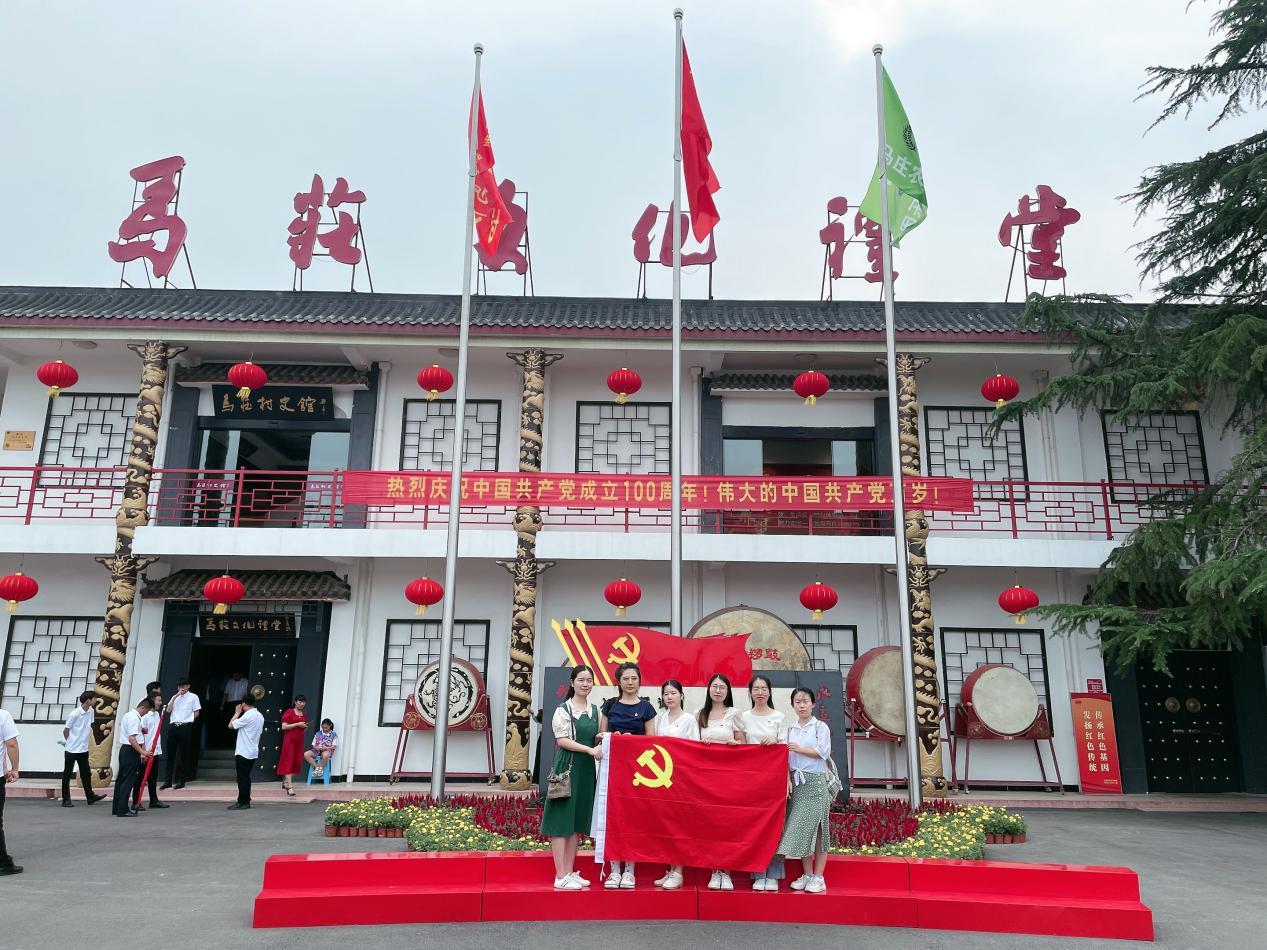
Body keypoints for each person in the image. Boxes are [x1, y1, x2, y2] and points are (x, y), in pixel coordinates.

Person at [540, 665, 603, 891]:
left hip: (586, 769)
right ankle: (560, 875)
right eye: (581, 680)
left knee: (576, 821)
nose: (585, 684)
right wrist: (588, 750)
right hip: (567, 766)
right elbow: (562, 740)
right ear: (572, 682)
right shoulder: (563, 710)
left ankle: (569, 871)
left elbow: (595, 737)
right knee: (561, 820)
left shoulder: (595, 710)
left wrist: (606, 738)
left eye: (589, 680)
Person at [598, 661, 656, 889]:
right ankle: (614, 870)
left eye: (634, 678)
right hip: (612, 770)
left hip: (637, 772)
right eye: (626, 679)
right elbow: (600, 735)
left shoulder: (646, 708)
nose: (630, 682)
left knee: (633, 818)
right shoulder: (610, 706)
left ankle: (630, 870)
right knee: (613, 816)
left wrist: (631, 741)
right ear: (619, 682)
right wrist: (614, 738)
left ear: (639, 681)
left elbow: (651, 741)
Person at [779, 687, 833, 895]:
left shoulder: (820, 727)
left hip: (815, 783)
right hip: (796, 783)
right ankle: (808, 874)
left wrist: (799, 749)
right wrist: (787, 779)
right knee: (803, 829)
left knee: (819, 830)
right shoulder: (790, 730)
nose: (802, 705)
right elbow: (784, 758)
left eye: (805, 701)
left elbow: (823, 752)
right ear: (792, 705)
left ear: (813, 704)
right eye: (798, 702)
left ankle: (819, 876)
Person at [740, 675, 787, 892]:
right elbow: (740, 749)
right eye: (756, 689)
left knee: (775, 826)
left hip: (774, 779)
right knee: (755, 827)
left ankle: (774, 874)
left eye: (764, 688)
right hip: (751, 780)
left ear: (769, 692)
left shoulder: (779, 717)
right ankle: (758, 873)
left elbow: (786, 749)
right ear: (750, 692)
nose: (760, 692)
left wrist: (776, 741)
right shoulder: (743, 717)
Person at [697, 672, 743, 891]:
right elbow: (691, 745)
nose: (717, 690)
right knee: (710, 823)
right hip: (706, 777)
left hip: (729, 776)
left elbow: (744, 744)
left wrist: (734, 743)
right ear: (708, 689)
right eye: (714, 686)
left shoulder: (734, 713)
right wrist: (701, 743)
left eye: (722, 687)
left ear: (728, 691)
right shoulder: (699, 714)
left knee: (729, 823)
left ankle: (727, 871)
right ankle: (715, 870)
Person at [652, 680, 697, 891]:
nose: (669, 697)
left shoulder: (689, 719)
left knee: (679, 824)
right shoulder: (661, 718)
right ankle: (670, 869)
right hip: (662, 778)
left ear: (681, 695)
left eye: (673, 693)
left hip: (680, 778)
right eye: (666, 694)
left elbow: (694, 748)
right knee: (666, 824)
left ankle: (679, 871)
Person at [61, 691, 104, 807]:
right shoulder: (74, 714)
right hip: (71, 749)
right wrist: (70, 741)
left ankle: (90, 797)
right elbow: (66, 730)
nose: (95, 700)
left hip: (83, 748)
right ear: (88, 700)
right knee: (67, 774)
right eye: (94, 698)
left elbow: (89, 726)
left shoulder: (91, 711)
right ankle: (66, 799)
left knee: (86, 773)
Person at [112, 697, 153, 818]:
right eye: (146, 711)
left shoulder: (128, 715)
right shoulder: (134, 718)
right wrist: (143, 752)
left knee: (121, 780)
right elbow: (132, 738)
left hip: (125, 750)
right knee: (128, 780)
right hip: (130, 751)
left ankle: (117, 807)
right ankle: (123, 809)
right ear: (143, 708)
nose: (146, 714)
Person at [161, 677, 200, 789]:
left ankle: (182, 780)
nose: (181, 688)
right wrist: (174, 697)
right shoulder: (175, 697)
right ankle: (168, 780)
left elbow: (196, 712)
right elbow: (168, 710)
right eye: (180, 686)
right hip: (173, 726)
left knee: (184, 754)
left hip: (185, 726)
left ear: (188, 686)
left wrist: (188, 720)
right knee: (170, 754)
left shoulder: (193, 697)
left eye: (184, 685)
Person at [133, 691, 169, 812]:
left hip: (155, 751)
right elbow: (140, 735)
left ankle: (154, 800)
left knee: (153, 778)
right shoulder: (145, 716)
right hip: (146, 752)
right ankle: (136, 802)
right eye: (158, 700)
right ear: (152, 701)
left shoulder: (157, 714)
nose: (160, 703)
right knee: (140, 778)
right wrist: (142, 752)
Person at [227, 693, 264, 810]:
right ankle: (245, 798)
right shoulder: (260, 716)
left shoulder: (247, 715)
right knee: (246, 777)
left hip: (243, 751)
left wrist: (237, 713)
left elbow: (231, 725)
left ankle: (243, 801)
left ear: (243, 704)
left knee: (242, 778)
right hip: (253, 750)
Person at [0, 705, 20, 874]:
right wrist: (15, 769)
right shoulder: (3, 716)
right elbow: (11, 744)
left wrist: (4, 765)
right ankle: (3, 863)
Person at [277, 695, 308, 795]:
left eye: (303, 702)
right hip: (289, 741)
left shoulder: (304, 714)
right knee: (289, 761)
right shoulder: (289, 712)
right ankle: (290, 786)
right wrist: (297, 724)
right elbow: (284, 727)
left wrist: (304, 727)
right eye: (300, 702)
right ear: (295, 702)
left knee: (297, 762)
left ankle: (285, 781)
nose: (302, 704)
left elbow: (303, 729)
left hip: (299, 741)